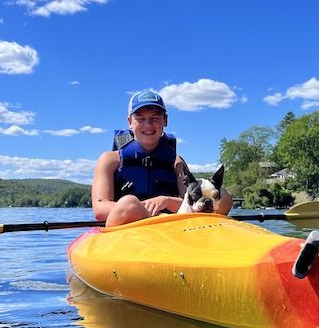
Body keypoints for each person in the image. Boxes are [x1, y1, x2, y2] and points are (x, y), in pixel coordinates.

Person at [92, 89, 233, 226]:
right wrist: (142, 209)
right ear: (130, 121)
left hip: (166, 226)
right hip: (127, 223)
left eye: (155, 118)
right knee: (129, 203)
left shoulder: (176, 162)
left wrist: (165, 201)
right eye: (140, 119)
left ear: (165, 120)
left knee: (224, 197)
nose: (148, 124)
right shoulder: (109, 160)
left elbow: (191, 200)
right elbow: (100, 209)